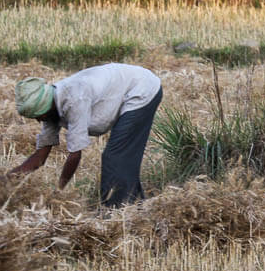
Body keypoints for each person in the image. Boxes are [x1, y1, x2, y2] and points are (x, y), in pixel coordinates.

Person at [11, 64, 162, 208]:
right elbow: (40, 157)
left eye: (39, 115)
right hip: (127, 87)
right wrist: (8, 180)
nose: (39, 120)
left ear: (47, 106)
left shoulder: (74, 99)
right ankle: (135, 207)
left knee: (115, 156)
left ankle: (115, 210)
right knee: (121, 158)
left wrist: (59, 190)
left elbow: (75, 154)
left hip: (141, 89)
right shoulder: (50, 109)